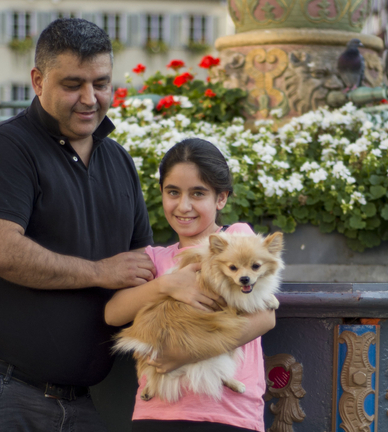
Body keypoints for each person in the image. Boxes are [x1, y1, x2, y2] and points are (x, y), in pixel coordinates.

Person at [0, 18, 156, 431]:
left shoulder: (118, 161)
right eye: (72, 85)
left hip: (75, 399)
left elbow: (142, 266)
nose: (90, 98)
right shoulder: (3, 148)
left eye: (101, 83)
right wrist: (100, 272)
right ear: (37, 80)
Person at [105, 138, 276, 432]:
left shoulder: (238, 240)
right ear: (161, 193)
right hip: (157, 411)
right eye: (173, 192)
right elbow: (113, 313)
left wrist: (187, 353)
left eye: (198, 193)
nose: (183, 206)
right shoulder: (153, 258)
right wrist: (167, 285)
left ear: (221, 198)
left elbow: (265, 318)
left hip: (229, 413)